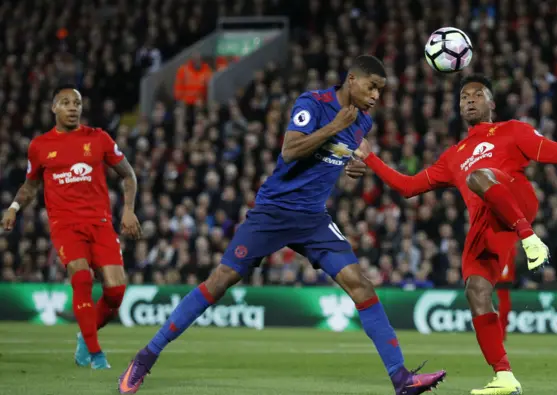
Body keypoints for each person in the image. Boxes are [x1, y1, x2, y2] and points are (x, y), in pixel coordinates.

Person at [118, 55, 446, 395]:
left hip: (313, 219)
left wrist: (351, 167)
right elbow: (290, 151)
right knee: (219, 281)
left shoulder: (362, 123)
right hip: (273, 212)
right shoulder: (313, 103)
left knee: (360, 284)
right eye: (372, 86)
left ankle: (401, 378)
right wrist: (334, 126)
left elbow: (332, 157)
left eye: (381, 90)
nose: (377, 95)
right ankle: (144, 358)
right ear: (352, 80)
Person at [354, 74, 557, 395]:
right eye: (463, 97)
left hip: (518, 201)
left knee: (478, 175)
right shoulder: (453, 155)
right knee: (476, 290)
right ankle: (504, 376)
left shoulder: (512, 130)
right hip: (487, 223)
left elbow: (556, 152)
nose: (468, 100)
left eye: (476, 95)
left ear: (491, 103)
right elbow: (408, 186)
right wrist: (370, 157)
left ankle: (530, 238)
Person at [1, 84, 142, 369]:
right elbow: (30, 186)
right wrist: (14, 208)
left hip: (101, 224)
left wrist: (128, 210)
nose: (73, 107)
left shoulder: (98, 138)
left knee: (115, 292)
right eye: (65, 102)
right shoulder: (40, 146)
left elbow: (128, 174)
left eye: (76, 102)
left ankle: (84, 335)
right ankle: (95, 353)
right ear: (54, 108)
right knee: (81, 278)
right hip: (65, 225)